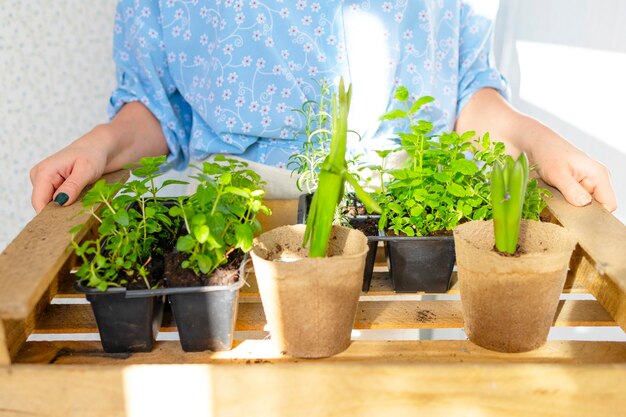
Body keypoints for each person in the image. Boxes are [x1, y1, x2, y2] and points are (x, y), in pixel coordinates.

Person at [30, 0, 616, 213]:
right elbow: (157, 109)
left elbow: (467, 98)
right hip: (238, 223)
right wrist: (100, 143)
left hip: (397, 228)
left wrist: (538, 142)